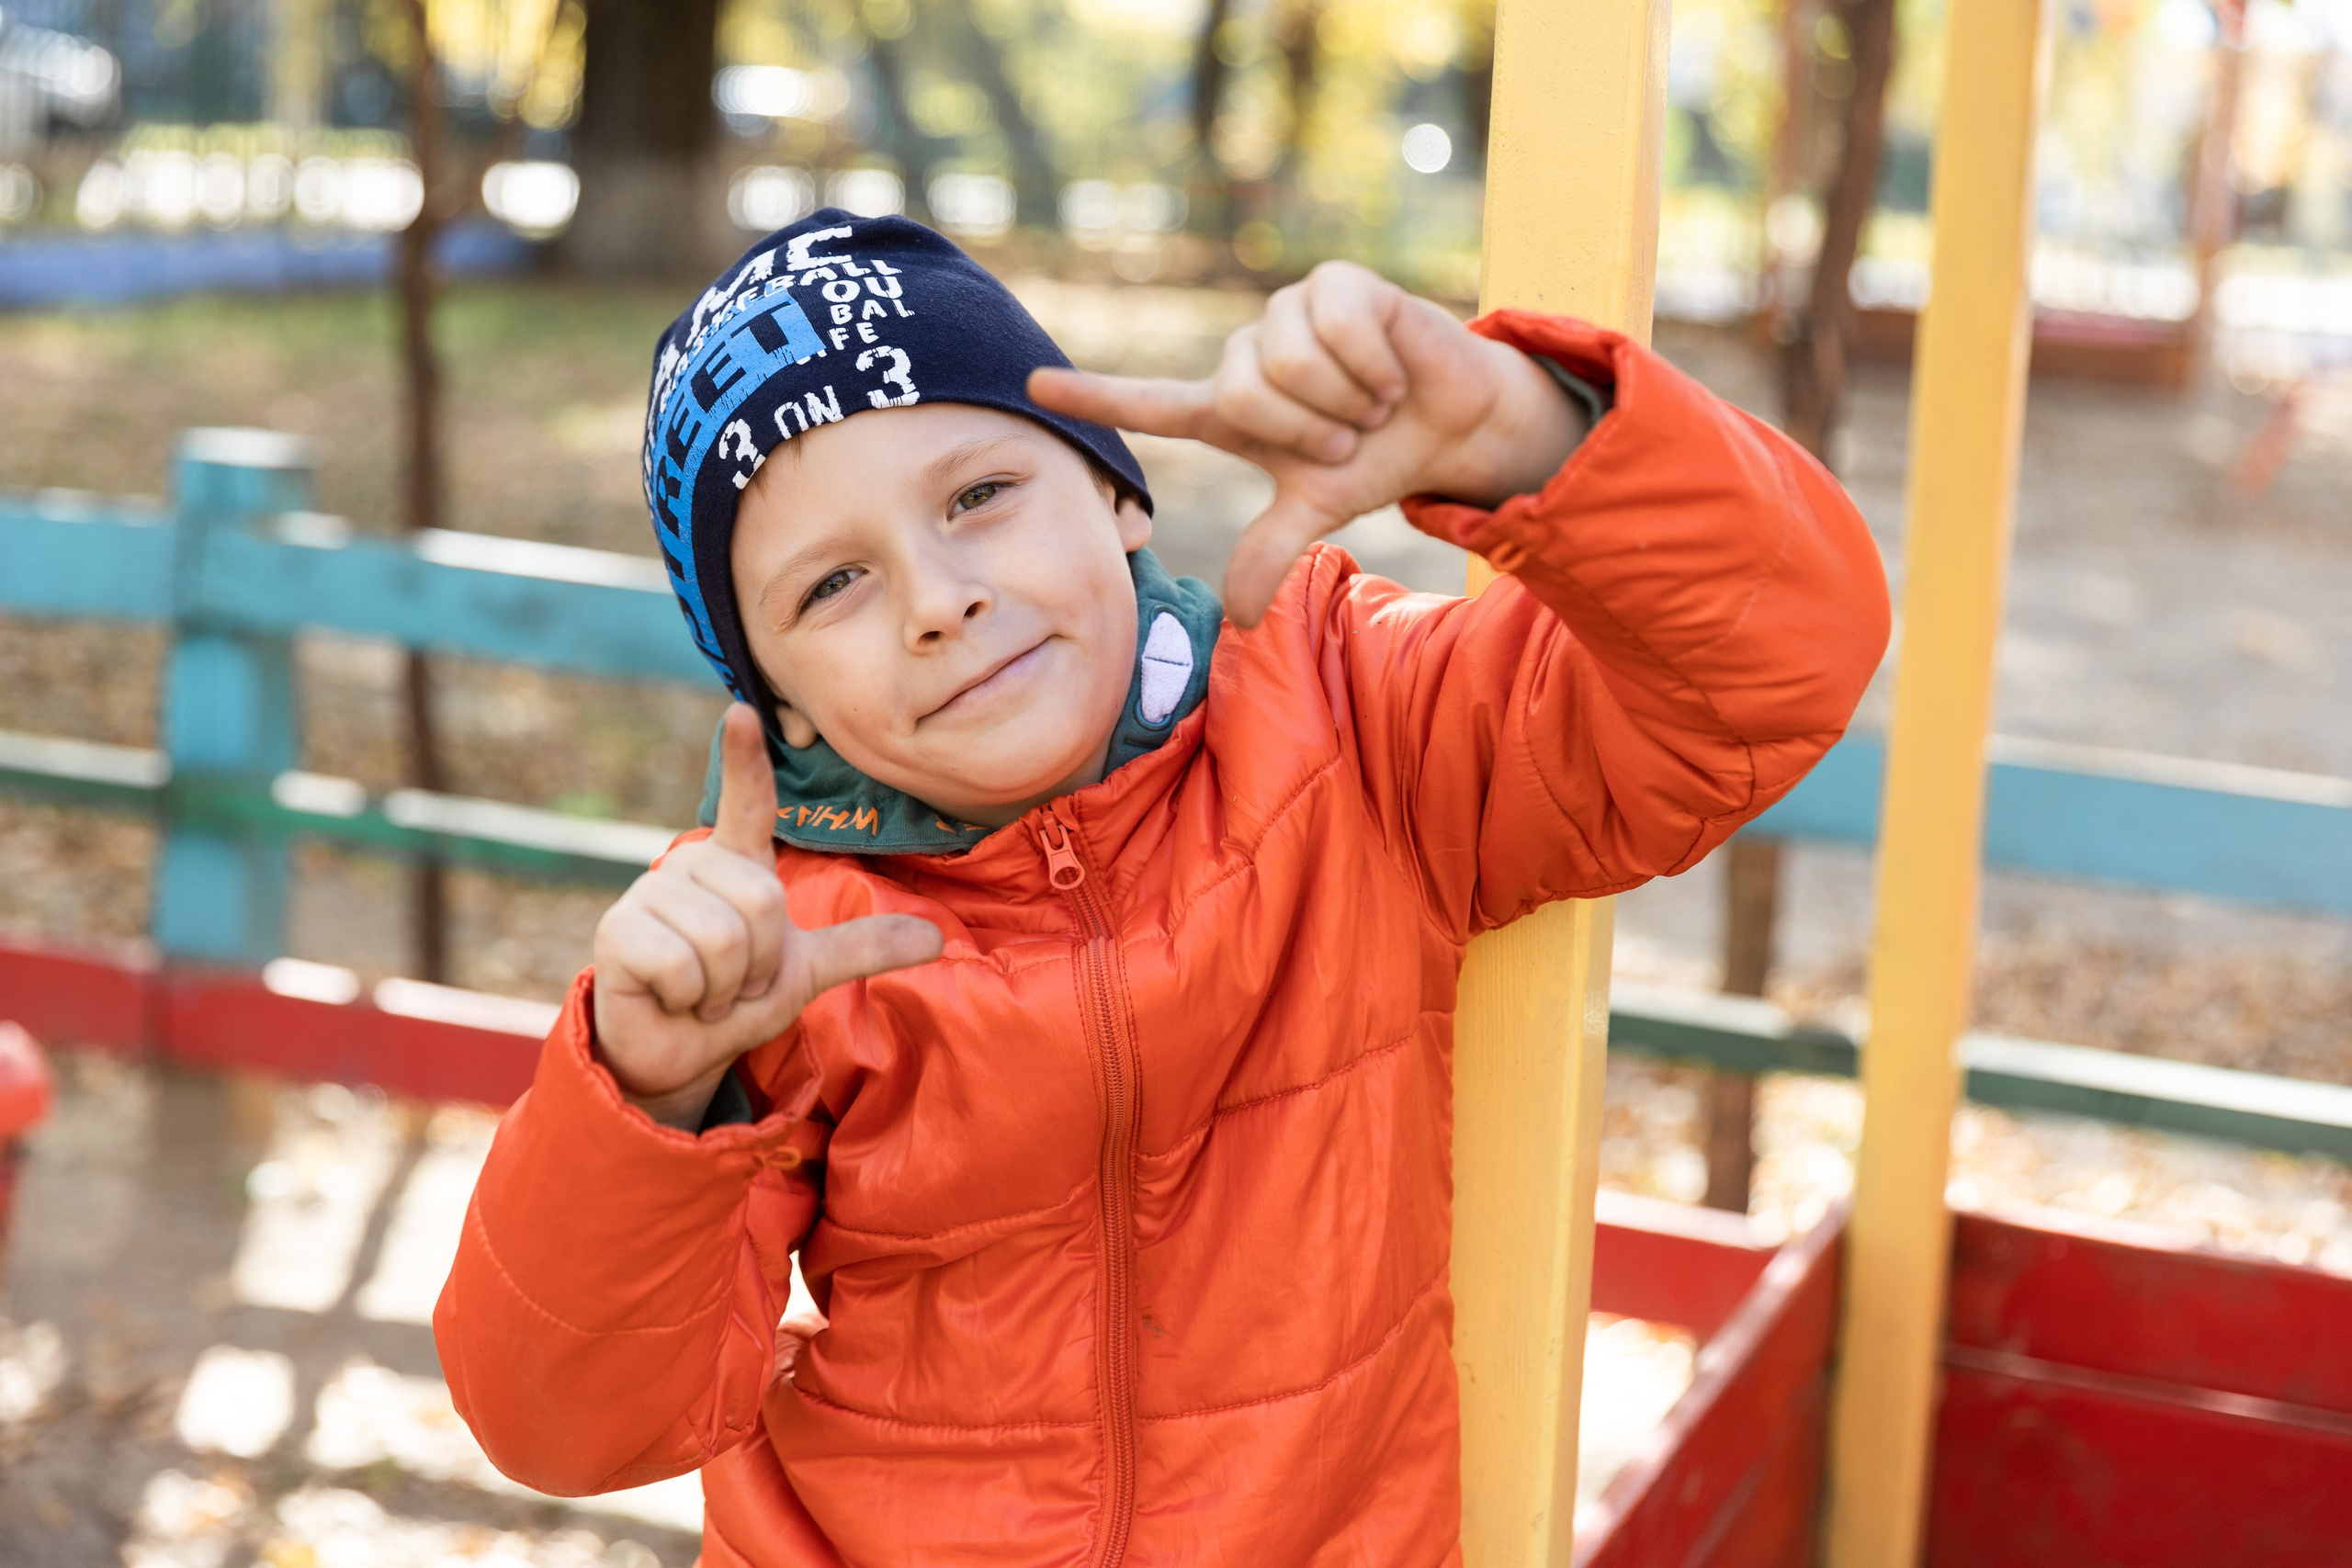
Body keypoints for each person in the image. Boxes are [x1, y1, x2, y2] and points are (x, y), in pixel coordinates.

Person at [434, 209, 1888, 1567]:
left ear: (1118, 495)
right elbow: (567, 1423)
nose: (939, 598)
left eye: (983, 494)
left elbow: (1775, 663)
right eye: (832, 587)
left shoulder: (1346, 713)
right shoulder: (770, 942)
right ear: (783, 704)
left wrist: (1524, 436)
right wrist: (646, 1100)